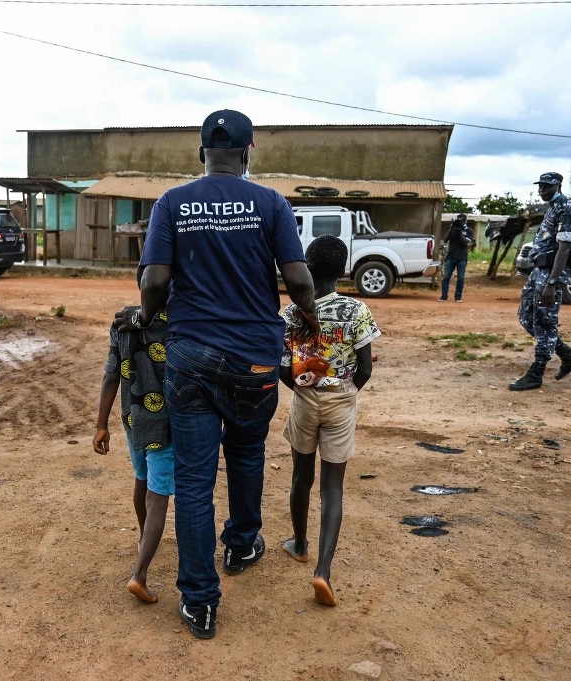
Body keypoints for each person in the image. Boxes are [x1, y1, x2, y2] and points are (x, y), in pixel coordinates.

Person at [132, 109, 316, 639]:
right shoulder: (271, 203)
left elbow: (155, 279)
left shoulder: (173, 203)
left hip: (189, 356)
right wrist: (308, 317)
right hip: (256, 359)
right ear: (249, 151)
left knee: (193, 478)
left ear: (201, 154)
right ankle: (241, 544)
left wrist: (147, 318)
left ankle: (200, 600)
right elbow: (299, 279)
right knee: (246, 453)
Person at [278, 235, 378, 607]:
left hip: (305, 401)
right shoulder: (357, 310)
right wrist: (347, 391)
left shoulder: (290, 313)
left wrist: (303, 388)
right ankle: (323, 571)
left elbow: (282, 368)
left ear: (305, 268)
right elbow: (365, 369)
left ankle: (299, 544)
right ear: (344, 269)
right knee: (332, 486)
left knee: (300, 476)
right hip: (341, 401)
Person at [93, 267, 174, 604]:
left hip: (132, 418)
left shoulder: (122, 322)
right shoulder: (177, 323)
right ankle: (139, 574)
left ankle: (145, 538)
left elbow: (111, 376)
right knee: (159, 496)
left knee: (141, 481)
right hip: (165, 423)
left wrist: (101, 424)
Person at [509, 172, 571, 391]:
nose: (541, 190)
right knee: (527, 317)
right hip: (539, 270)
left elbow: (564, 248)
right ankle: (568, 356)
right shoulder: (553, 208)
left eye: (547, 186)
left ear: (558, 186)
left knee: (544, 322)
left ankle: (536, 373)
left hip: (550, 273)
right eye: (540, 186)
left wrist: (552, 283)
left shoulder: (568, 209)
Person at [440, 213, 473, 302]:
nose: (460, 222)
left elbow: (466, 242)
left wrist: (460, 233)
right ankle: (444, 296)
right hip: (451, 256)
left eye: (462, 220)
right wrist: (451, 229)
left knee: (461, 278)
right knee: (446, 277)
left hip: (462, 257)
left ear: (465, 221)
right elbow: (445, 239)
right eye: (458, 220)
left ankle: (458, 297)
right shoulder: (453, 229)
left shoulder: (468, 230)